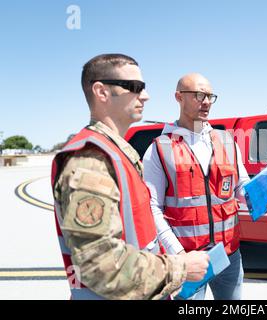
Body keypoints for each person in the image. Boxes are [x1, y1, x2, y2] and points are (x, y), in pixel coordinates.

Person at [51, 54, 209, 300]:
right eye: (134, 87)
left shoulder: (116, 154)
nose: (144, 96)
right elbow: (101, 266)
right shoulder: (89, 162)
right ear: (101, 92)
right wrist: (181, 268)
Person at [143, 73, 250, 300]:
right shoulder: (159, 149)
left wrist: (260, 197)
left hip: (229, 255)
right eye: (199, 95)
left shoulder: (227, 141)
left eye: (211, 96)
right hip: (188, 260)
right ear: (178, 97)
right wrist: (179, 255)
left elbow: (240, 185)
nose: (207, 101)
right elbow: (152, 208)